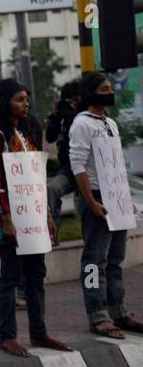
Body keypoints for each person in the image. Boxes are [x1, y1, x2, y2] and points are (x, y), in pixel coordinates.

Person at [0, 79, 70, 356]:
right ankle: (6, 336)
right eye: (19, 99)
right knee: (10, 276)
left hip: (33, 215)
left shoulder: (28, 131)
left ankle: (39, 332)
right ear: (5, 102)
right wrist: (6, 217)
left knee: (36, 275)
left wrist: (46, 213)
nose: (26, 104)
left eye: (26, 99)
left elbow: (36, 177)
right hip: (9, 216)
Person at [69, 72, 143, 339]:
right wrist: (90, 202)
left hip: (116, 196)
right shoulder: (81, 124)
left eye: (110, 87)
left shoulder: (110, 123)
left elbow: (116, 163)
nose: (108, 92)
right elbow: (78, 165)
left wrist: (126, 199)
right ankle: (97, 314)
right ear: (90, 92)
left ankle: (118, 310)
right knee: (94, 260)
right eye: (103, 88)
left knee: (115, 259)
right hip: (97, 196)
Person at [44, 80, 81, 228]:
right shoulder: (62, 117)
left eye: (76, 99)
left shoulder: (88, 115)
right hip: (69, 168)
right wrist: (56, 115)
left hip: (88, 170)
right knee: (52, 188)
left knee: (84, 204)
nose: (73, 103)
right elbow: (50, 137)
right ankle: (53, 229)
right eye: (69, 100)